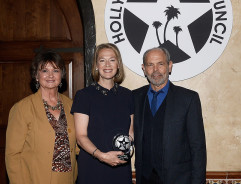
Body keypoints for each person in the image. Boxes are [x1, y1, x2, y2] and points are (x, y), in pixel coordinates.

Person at [133, 47, 207, 184]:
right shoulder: (135, 97)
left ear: (170, 66)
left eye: (160, 64)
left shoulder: (188, 99)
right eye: (150, 65)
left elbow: (198, 148)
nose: (155, 70)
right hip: (144, 178)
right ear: (144, 68)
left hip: (179, 179)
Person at [5, 50, 78, 184]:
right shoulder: (22, 108)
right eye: (44, 70)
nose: (50, 75)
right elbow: (12, 155)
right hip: (35, 178)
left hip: (67, 179)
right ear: (36, 76)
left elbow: (78, 144)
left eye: (55, 70)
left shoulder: (72, 106)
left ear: (62, 75)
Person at [71, 43, 134, 184]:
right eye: (102, 60)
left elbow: (130, 131)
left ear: (118, 64)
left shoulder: (128, 95)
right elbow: (80, 137)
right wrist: (102, 156)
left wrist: (127, 147)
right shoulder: (84, 96)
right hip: (93, 166)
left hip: (120, 167)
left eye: (112, 60)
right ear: (96, 65)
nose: (107, 65)